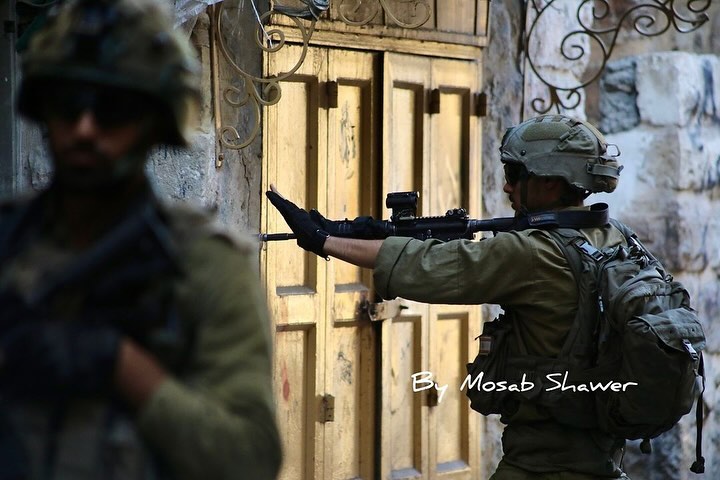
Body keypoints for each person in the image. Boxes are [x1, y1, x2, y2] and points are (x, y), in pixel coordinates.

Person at [0, 0, 281, 478]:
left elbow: (249, 457)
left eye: (113, 110)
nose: (84, 128)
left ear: (154, 122)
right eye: (67, 104)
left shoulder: (203, 265)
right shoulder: (10, 244)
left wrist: (121, 364)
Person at [267, 114, 630, 479]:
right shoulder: (616, 237)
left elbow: (428, 264)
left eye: (514, 174)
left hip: (546, 462)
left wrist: (323, 240)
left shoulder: (534, 252)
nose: (507, 187)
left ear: (549, 181)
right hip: (602, 451)